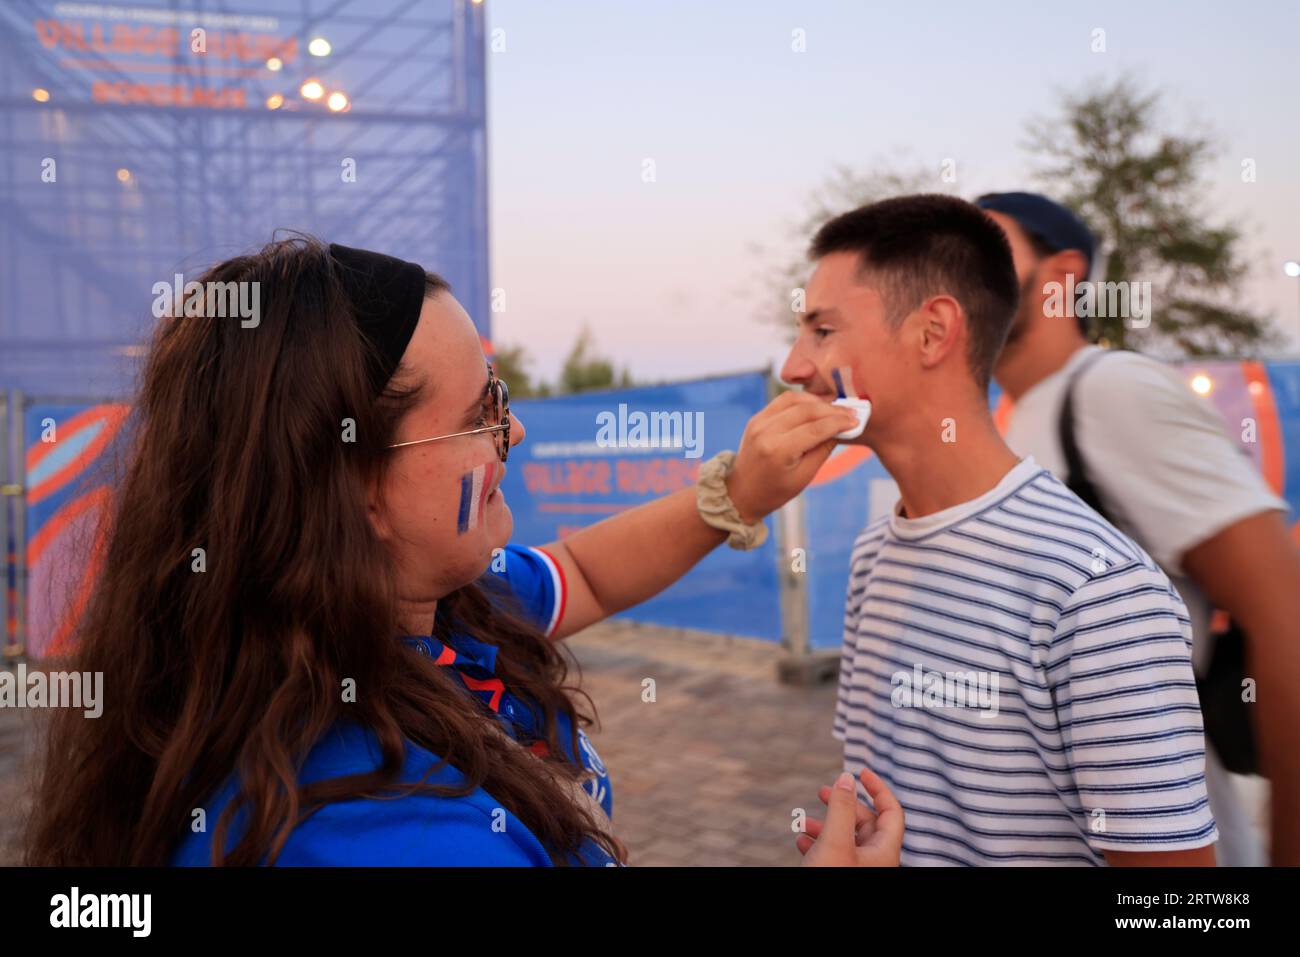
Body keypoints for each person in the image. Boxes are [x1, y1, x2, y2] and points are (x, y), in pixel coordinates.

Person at [22, 235, 886, 866]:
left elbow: (580, 571)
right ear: (357, 483)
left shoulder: (407, 603)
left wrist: (738, 494)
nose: (511, 427)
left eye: (499, 395)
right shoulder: (389, 827)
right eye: (479, 413)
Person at [781, 194, 1218, 866]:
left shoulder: (1096, 591)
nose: (794, 366)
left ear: (933, 331)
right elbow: (876, 802)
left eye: (822, 330)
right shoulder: (875, 553)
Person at [977, 191, 1300, 866]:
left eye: (986, 247)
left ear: (1062, 275)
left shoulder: (1111, 388)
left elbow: (1285, 615)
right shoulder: (1015, 418)